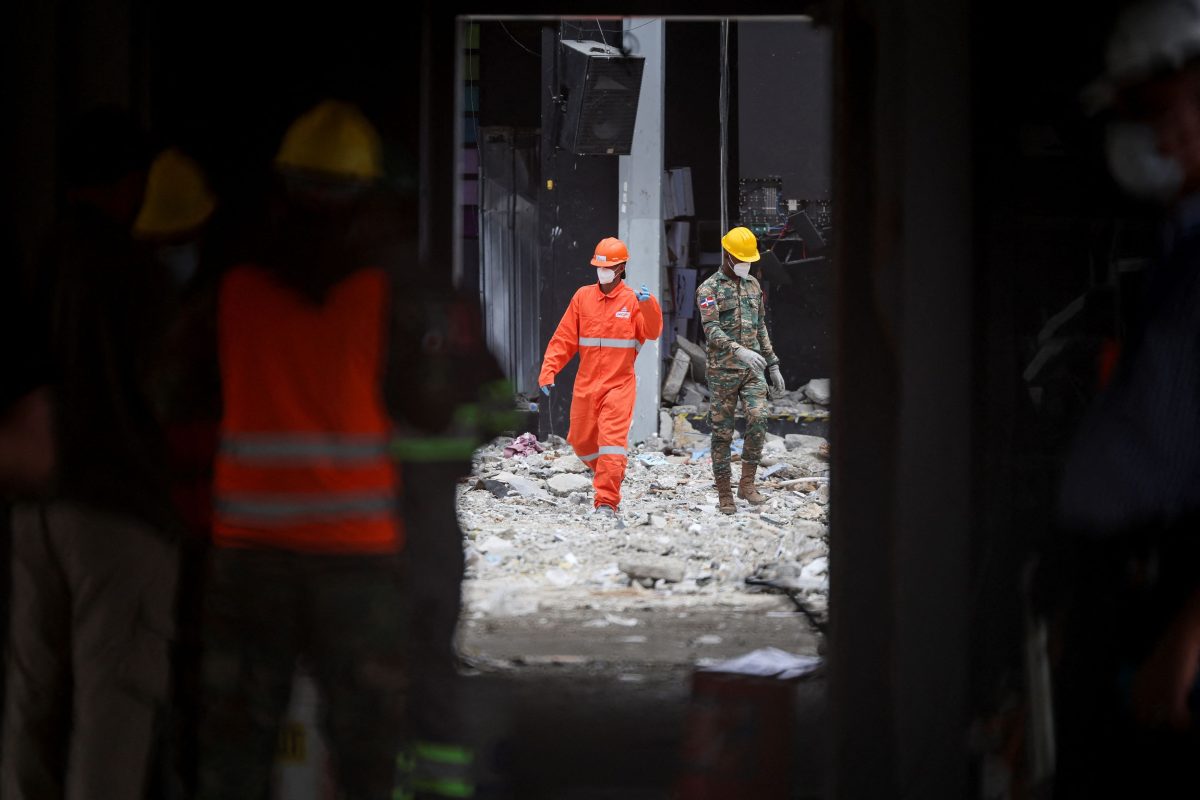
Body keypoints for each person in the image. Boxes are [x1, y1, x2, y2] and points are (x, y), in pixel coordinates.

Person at [195, 99, 408, 800]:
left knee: (235, 753)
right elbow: (442, 408)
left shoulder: (232, 292)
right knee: (367, 754)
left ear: (281, 193)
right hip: (357, 560)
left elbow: (167, 392)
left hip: (250, 557)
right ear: (368, 200)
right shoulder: (388, 295)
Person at [0, 106, 181, 800]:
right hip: (118, 511)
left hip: (33, 508)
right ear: (130, 182)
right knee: (114, 704)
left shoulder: (38, 257)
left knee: (32, 698)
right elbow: (166, 391)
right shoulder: (136, 273)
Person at [1055, 0, 1200, 794]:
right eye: (1139, 115)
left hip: (1175, 607)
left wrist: (1188, 640)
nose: (1154, 137)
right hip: (1132, 581)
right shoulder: (1177, 249)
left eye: (1165, 110)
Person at [537, 237, 662, 515]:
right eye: (599, 266)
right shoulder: (583, 297)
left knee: (611, 444)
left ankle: (606, 500)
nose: (602, 271)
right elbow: (564, 338)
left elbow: (652, 332)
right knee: (581, 442)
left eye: (608, 267)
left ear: (621, 268)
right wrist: (549, 369)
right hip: (587, 384)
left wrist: (649, 305)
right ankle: (611, 471)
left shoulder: (633, 301)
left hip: (619, 386)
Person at [695, 226, 786, 515]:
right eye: (742, 259)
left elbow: (760, 327)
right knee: (722, 433)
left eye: (750, 260)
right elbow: (711, 329)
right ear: (728, 256)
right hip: (723, 371)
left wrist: (773, 364)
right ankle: (725, 493)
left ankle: (747, 484)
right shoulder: (709, 289)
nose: (747, 264)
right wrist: (738, 350)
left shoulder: (753, 286)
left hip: (752, 370)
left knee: (759, 418)